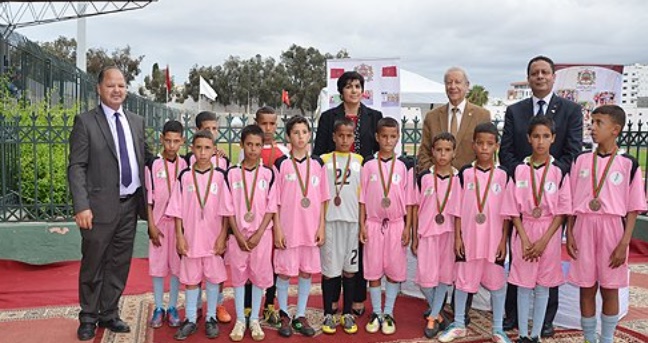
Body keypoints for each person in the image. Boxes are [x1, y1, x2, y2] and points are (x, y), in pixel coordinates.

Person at [499, 56, 583, 337]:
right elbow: (506, 152)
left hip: (550, 201)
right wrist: (526, 171)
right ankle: (517, 320)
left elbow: (572, 151)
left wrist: (548, 173)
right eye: (534, 72)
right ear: (528, 77)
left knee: (547, 276)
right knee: (520, 273)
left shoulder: (570, 110)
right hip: (524, 200)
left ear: (553, 76)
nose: (540, 76)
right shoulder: (515, 110)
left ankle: (545, 322)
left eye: (545, 72)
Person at [68, 66, 151, 341]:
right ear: (99, 89)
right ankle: (89, 317)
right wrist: (81, 205)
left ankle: (109, 313)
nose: (117, 90)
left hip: (130, 207)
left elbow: (149, 159)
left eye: (122, 85)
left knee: (119, 263)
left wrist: (189, 159)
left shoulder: (136, 122)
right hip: (98, 209)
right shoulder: (85, 122)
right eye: (111, 85)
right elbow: (77, 166)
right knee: (93, 264)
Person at [566, 105, 647, 343]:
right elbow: (571, 202)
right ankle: (590, 337)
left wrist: (625, 243)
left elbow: (633, 209)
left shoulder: (628, 164)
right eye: (592, 122)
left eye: (599, 123)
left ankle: (607, 338)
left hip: (612, 228)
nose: (593, 127)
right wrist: (570, 233)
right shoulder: (580, 160)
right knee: (586, 287)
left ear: (615, 130)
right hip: (583, 227)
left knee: (609, 287)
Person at [314, 71, 383, 315]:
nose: (353, 90)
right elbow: (318, 151)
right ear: (340, 91)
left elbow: (379, 151)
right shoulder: (328, 117)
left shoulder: (374, 117)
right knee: (333, 254)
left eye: (357, 86)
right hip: (335, 185)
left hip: (361, 186)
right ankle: (331, 301)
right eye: (348, 86)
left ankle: (356, 298)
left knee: (358, 247)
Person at [438, 123, 512, 343]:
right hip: (469, 240)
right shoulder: (464, 174)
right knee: (463, 281)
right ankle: (459, 323)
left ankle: (498, 329)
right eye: (480, 143)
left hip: (493, 240)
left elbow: (507, 213)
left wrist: (503, 241)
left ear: (497, 146)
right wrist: (458, 237)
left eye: (490, 144)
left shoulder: (503, 175)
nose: (484, 148)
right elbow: (457, 210)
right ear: (473, 145)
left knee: (497, 283)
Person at [501, 116, 571, 343]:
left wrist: (543, 241)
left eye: (546, 136)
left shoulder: (559, 171)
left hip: (549, 233)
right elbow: (512, 208)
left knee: (542, 285)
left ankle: (535, 335)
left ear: (553, 139)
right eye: (536, 137)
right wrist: (522, 237)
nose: (541, 142)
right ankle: (522, 334)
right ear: (529, 139)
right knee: (522, 284)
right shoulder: (520, 170)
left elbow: (562, 211)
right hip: (524, 230)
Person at [166, 130, 230, 340]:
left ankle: (211, 317)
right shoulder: (184, 176)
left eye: (207, 148)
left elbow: (227, 211)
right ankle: (191, 319)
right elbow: (176, 211)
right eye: (199, 148)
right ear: (192, 149)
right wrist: (179, 236)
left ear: (214, 150)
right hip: (191, 238)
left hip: (213, 239)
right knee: (191, 280)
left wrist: (222, 237)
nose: (202, 152)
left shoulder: (221, 176)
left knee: (213, 279)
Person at [273, 116, 330, 337]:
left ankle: (301, 313)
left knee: (306, 271)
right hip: (288, 228)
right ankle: (285, 313)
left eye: (304, 132)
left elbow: (324, 198)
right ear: (288, 136)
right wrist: (277, 228)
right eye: (295, 132)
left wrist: (321, 227)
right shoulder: (281, 164)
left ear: (309, 135)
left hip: (310, 229)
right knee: (286, 272)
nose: (300, 137)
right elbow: (275, 201)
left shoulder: (318, 164)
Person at [360, 117, 415, 335]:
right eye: (384, 136)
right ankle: (376, 313)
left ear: (398, 137)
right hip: (373, 224)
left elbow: (410, 201)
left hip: (395, 224)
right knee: (373, 271)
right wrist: (362, 225)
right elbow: (362, 199)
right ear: (377, 137)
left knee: (393, 270)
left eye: (393, 136)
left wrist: (407, 228)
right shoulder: (368, 165)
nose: (388, 140)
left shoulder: (403, 167)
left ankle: (389, 312)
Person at [225, 125, 277, 341]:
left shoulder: (268, 174)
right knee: (238, 277)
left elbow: (271, 207)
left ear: (262, 146)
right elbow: (227, 209)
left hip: (261, 237)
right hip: (237, 236)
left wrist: (258, 233)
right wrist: (237, 234)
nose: (253, 149)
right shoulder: (231, 173)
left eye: (258, 145)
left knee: (257, 277)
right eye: (249, 144)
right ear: (242, 145)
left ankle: (254, 319)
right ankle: (240, 320)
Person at [241, 106, 289, 326]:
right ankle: (248, 307)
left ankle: (270, 304)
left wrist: (279, 224)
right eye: (264, 124)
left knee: (271, 263)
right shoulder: (248, 151)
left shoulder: (282, 153)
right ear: (256, 123)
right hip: (253, 217)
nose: (268, 128)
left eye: (272, 124)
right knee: (251, 261)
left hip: (274, 217)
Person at [184, 110, 232, 324]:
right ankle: (193, 309)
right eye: (207, 129)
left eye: (214, 129)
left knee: (216, 269)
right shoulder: (187, 162)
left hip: (215, 228)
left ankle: (217, 304)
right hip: (193, 228)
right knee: (192, 270)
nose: (211, 133)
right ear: (197, 132)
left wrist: (226, 231)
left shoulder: (223, 161)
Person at [412, 132, 460, 339]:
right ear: (432, 152)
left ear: (454, 153)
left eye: (447, 150)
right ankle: (439, 314)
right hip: (427, 233)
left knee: (443, 277)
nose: (442, 154)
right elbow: (415, 208)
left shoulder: (459, 179)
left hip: (448, 234)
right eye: (439, 149)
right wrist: (414, 236)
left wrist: (460, 238)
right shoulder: (424, 178)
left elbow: (460, 213)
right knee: (425, 279)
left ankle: (433, 317)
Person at [319, 117, 363, 335]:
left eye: (349, 136)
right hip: (330, 221)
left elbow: (363, 197)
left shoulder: (360, 160)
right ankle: (328, 312)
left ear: (353, 137)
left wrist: (363, 224)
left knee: (350, 270)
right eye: (341, 136)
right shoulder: (324, 160)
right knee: (329, 271)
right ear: (334, 136)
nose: (345, 140)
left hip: (352, 222)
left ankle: (347, 313)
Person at [145, 120, 187, 329]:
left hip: (179, 226)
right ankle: (159, 307)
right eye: (168, 141)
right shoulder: (153, 164)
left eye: (176, 141)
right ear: (161, 139)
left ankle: (172, 307)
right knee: (158, 267)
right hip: (159, 224)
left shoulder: (186, 165)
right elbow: (148, 198)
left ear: (182, 141)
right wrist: (151, 225)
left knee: (177, 267)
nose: (171, 146)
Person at [417, 67, 491, 171]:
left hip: (469, 182)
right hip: (437, 182)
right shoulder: (432, 117)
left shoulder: (482, 115)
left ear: (467, 85)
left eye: (457, 82)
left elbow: (486, 153)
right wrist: (433, 175)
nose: (452, 86)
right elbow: (424, 153)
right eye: (449, 82)